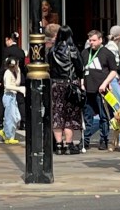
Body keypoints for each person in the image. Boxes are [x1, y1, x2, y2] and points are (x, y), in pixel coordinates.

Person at [48, 25, 85, 155]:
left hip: (56, 84)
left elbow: (49, 67)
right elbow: (80, 67)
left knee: (57, 113)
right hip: (70, 84)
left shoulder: (52, 50)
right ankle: (69, 145)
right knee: (71, 115)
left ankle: (58, 145)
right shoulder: (72, 50)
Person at [81, 29, 120, 151]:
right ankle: (85, 141)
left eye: (94, 40)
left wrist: (105, 84)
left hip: (102, 90)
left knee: (104, 116)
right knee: (88, 116)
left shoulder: (107, 53)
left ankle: (104, 139)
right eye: (90, 40)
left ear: (100, 40)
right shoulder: (85, 53)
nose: (91, 42)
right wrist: (82, 82)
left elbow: (113, 71)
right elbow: (82, 69)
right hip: (88, 89)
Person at [0, 32, 25, 130]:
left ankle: (0, 121)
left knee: (2, 99)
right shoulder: (21, 51)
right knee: (20, 101)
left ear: (9, 39)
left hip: (9, 78)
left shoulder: (7, 51)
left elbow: (3, 66)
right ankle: (23, 122)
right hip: (19, 77)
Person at [0, 56, 25, 144]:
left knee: (16, 117)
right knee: (10, 117)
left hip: (13, 96)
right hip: (8, 96)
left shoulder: (12, 72)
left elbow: (17, 83)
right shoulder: (7, 73)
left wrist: (18, 72)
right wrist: (19, 89)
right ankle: (9, 136)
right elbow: (7, 86)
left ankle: (5, 131)